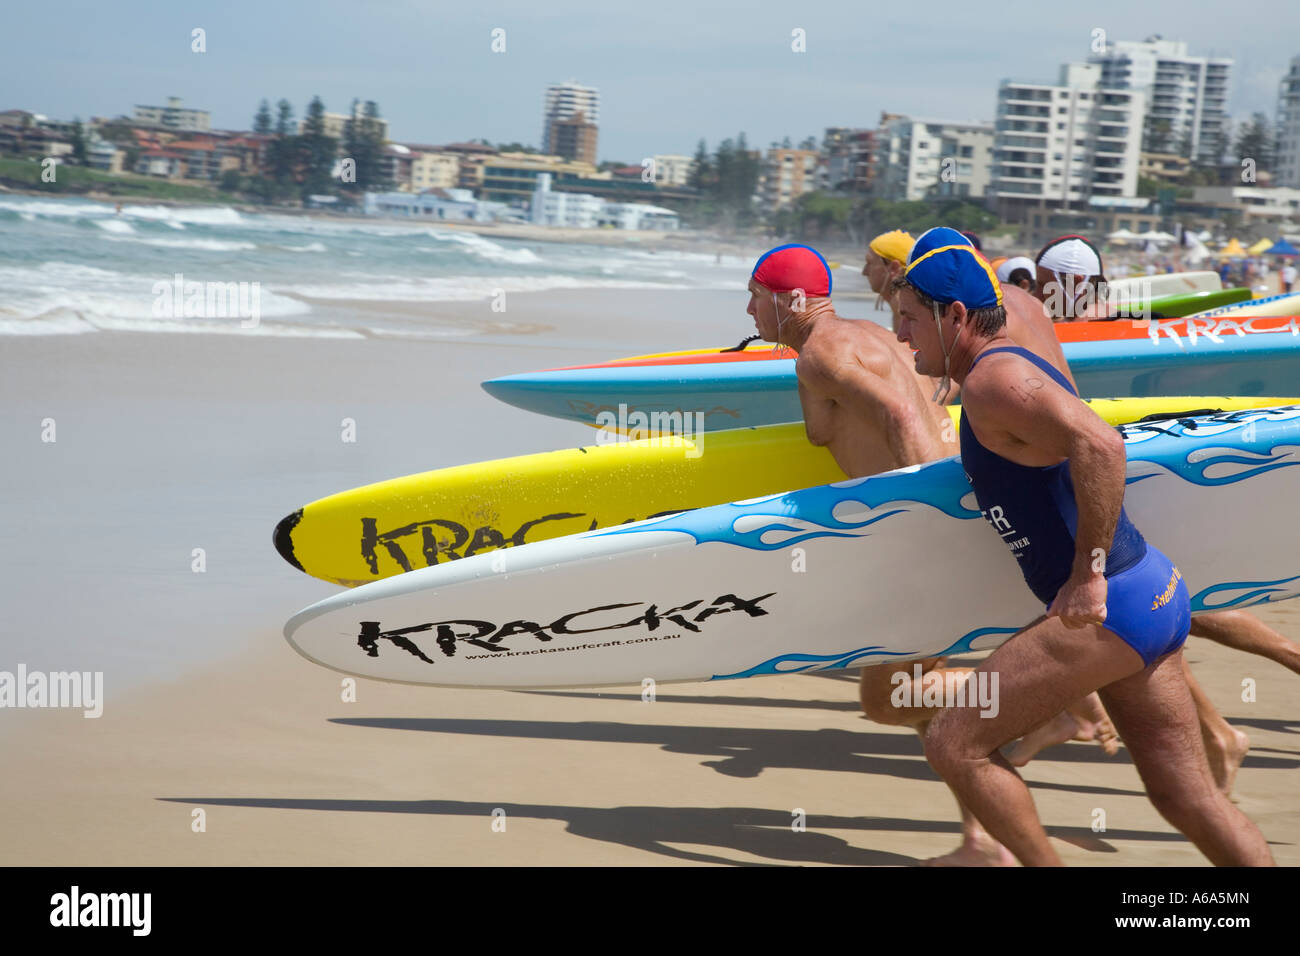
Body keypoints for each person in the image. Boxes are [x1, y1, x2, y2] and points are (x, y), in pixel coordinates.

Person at [892, 234, 1274, 866]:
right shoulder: (998, 366)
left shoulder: (995, 380)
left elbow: (1102, 445)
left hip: (1110, 606)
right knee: (1187, 798)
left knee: (955, 743)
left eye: (908, 319)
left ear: (954, 316)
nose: (903, 336)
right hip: (1152, 592)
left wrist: (1088, 573)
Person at [748, 239, 1116, 865]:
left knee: (886, 698)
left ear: (789, 300)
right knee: (919, 697)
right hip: (925, 533)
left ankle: (1046, 698)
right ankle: (982, 842)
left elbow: (898, 412)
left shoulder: (819, 355)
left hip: (914, 542)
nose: (748, 314)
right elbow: (933, 392)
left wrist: (925, 513)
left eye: (754, 298)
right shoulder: (872, 335)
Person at [861, 230, 914, 331]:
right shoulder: (908, 309)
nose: (864, 272)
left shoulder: (906, 314)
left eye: (869, 263)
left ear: (894, 268)